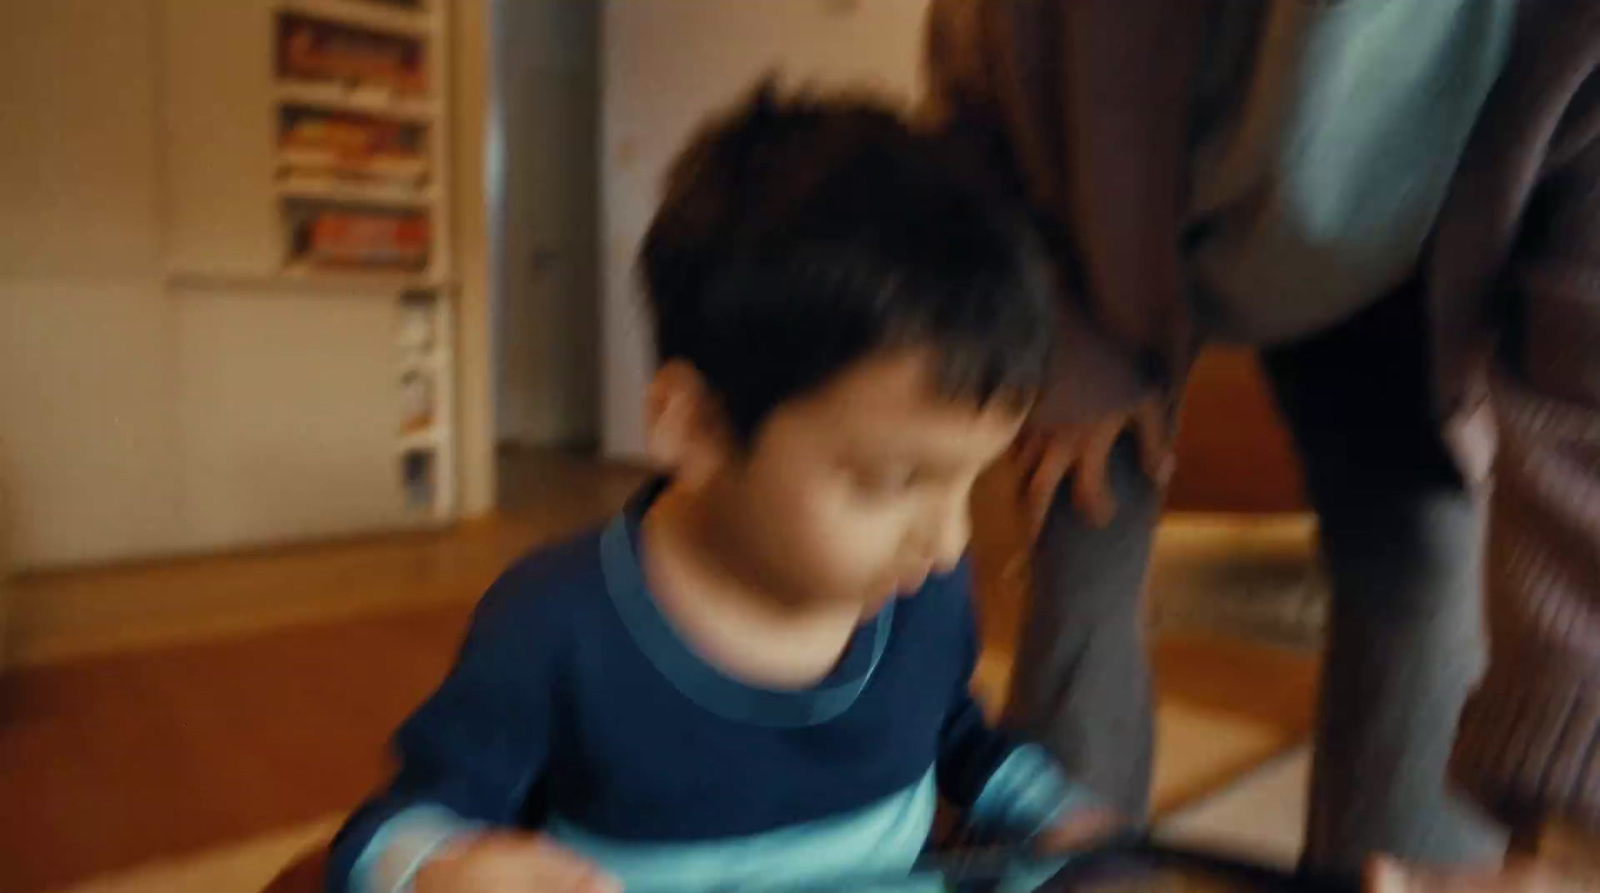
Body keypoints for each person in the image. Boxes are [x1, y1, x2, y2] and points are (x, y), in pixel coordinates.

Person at [325, 86, 1111, 893]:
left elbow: (959, 737)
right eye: (891, 481)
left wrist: (1055, 815)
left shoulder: (923, 596)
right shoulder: (553, 627)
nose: (947, 542)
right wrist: (436, 872)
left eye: (971, 481)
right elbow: (388, 830)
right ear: (694, 425)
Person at [921, 0, 1600, 878]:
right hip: (1107, 234)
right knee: (1080, 533)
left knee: (1429, 565)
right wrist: (1075, 357)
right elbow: (976, 101)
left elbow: (1585, 397)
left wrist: (1574, 819)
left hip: (1408, 275)